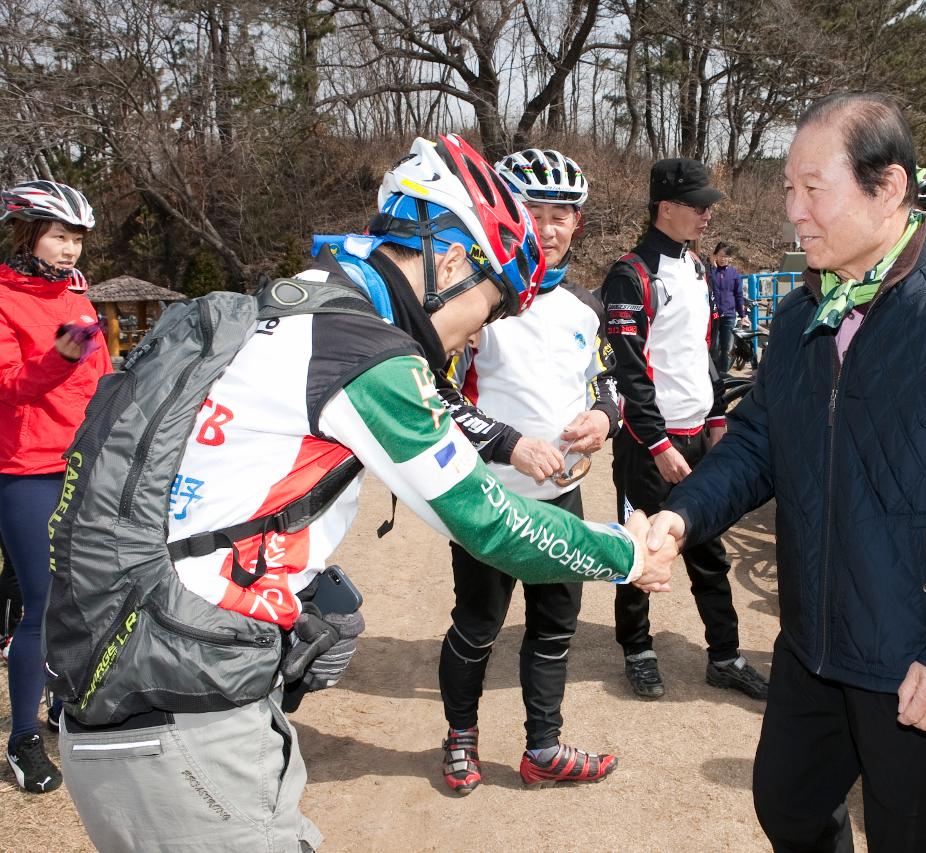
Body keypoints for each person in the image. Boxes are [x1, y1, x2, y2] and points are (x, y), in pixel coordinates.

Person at [53, 135, 677, 851]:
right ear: (448, 260)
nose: (483, 327)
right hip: (184, 717)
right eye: (491, 303)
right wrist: (626, 552)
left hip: (147, 685)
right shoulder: (365, 352)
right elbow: (490, 521)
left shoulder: (299, 301)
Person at [646, 93, 926, 852]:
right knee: (787, 806)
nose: (794, 211)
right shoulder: (799, 315)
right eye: (788, 187)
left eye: (814, 188)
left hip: (921, 659)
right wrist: (682, 516)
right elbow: (755, 443)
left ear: (888, 189)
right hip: (813, 642)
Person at [436, 147, 622, 795]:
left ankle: (542, 746)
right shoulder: (475, 301)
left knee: (553, 627)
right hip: (487, 498)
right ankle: (460, 738)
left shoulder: (582, 306)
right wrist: (509, 443)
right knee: (477, 626)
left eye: (562, 214)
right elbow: (434, 397)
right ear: (508, 216)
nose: (549, 226)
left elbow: (605, 381)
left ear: (578, 224)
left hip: (561, 498)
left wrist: (604, 419)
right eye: (534, 211)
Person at [602, 158, 768, 702]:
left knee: (709, 552)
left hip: (698, 435)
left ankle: (725, 655)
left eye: (709, 205)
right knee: (639, 550)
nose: (707, 214)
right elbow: (629, 370)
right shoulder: (631, 274)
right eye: (697, 205)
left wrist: (718, 419)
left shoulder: (697, 267)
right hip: (647, 444)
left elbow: (700, 354)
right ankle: (638, 650)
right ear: (665, 208)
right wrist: (658, 444)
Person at [0, 181, 110, 794]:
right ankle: (22, 741)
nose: (70, 250)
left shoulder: (77, 291)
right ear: (28, 233)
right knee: (43, 605)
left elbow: (97, 373)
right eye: (59, 236)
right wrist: (60, 357)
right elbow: (10, 385)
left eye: (77, 239)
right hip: (24, 467)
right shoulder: (3, 298)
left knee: (87, 597)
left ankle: (66, 703)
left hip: (83, 462)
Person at [708, 241, 746, 375]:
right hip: (714, 315)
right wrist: (712, 268)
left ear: (730, 258)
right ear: (714, 256)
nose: (722, 258)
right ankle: (714, 376)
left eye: (725, 256)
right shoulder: (710, 271)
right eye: (719, 255)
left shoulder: (733, 273)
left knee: (727, 348)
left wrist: (743, 315)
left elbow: (738, 294)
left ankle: (723, 376)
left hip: (729, 315)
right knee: (714, 346)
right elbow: (709, 287)